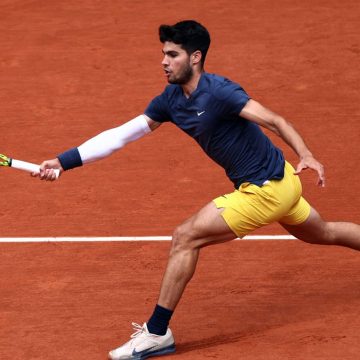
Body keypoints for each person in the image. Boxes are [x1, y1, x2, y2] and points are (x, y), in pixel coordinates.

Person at [35, 20, 360, 360]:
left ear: (195, 57)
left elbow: (275, 120)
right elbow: (121, 135)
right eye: (163, 53)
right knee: (323, 232)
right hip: (283, 185)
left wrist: (306, 154)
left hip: (266, 190)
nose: (163, 61)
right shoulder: (171, 99)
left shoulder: (220, 91)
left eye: (172, 55)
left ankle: (157, 333)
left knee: (185, 237)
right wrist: (63, 161)